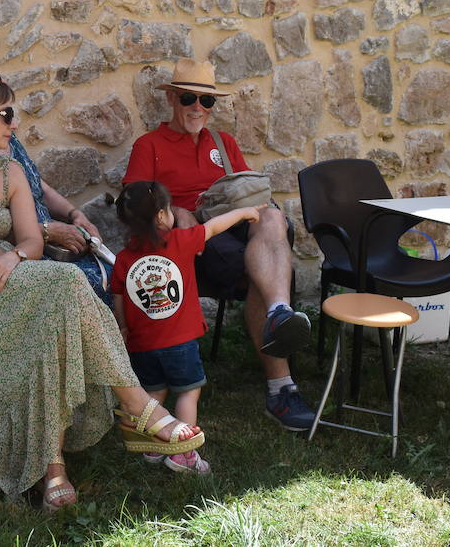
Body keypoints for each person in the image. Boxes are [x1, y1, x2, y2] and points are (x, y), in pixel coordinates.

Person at [0, 78, 205, 509]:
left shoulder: (9, 170)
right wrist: (10, 257)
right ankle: (136, 407)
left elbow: (32, 241)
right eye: (7, 114)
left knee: (57, 306)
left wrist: (12, 258)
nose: (15, 123)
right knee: (64, 284)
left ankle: (55, 469)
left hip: (7, 278)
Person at [123, 59, 316, 432]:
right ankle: (281, 388)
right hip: (188, 246)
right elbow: (134, 200)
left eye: (207, 102)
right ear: (173, 100)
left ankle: (278, 311)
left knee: (274, 219)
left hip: (233, 230)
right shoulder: (149, 145)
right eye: (190, 98)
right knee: (258, 268)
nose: (199, 108)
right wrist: (177, 210)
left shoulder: (223, 144)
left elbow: (247, 191)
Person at [0, 49, 111, 304]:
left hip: (33, 249)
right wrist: (46, 233)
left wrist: (74, 214)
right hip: (24, 253)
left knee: (116, 278)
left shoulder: (7, 143)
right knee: (81, 285)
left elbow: (36, 184)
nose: (3, 83)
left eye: (0, 76)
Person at [111, 180, 263, 474]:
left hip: (141, 343)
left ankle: (154, 445)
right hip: (180, 342)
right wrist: (244, 212)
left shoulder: (123, 259)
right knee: (188, 393)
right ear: (160, 217)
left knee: (154, 393)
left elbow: (119, 296)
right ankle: (185, 454)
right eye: (168, 209)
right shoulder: (181, 241)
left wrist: (124, 328)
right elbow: (215, 227)